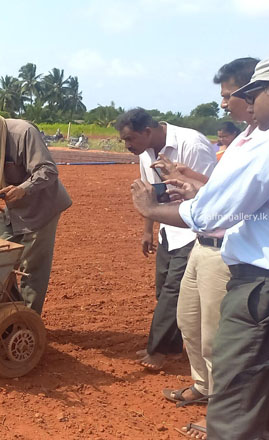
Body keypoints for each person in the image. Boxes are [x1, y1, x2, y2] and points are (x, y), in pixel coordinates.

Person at [130, 56, 269, 440]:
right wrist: (196, 190)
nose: (226, 103)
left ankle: (224, 419)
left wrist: (155, 209)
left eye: (237, 95)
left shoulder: (263, 143)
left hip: (241, 261)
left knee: (228, 350)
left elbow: (220, 211)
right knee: (192, 325)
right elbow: (228, 198)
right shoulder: (248, 138)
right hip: (206, 245)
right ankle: (208, 392)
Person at [116, 108, 217, 371]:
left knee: (174, 291)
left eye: (130, 139)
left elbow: (212, 194)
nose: (128, 146)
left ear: (147, 132)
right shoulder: (145, 151)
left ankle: (158, 351)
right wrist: (148, 230)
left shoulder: (192, 145)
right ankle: (172, 348)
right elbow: (152, 195)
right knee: (163, 289)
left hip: (193, 230)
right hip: (169, 230)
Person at [0, 98, 72, 315]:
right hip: (13, 208)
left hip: (41, 208)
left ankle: (27, 320)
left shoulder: (22, 133)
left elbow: (48, 170)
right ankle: (9, 311)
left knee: (32, 269)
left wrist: (23, 188)